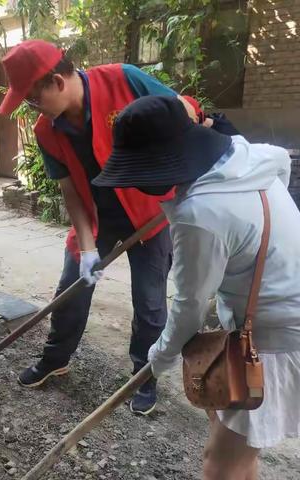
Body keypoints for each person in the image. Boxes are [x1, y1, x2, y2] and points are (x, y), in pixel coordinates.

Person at [93, 95, 300, 480]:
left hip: (277, 339)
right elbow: (283, 164)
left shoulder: (199, 216)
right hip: (271, 320)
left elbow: (189, 306)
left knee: (220, 465)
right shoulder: (251, 158)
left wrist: (159, 358)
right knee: (235, 455)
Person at [0, 40, 194, 415]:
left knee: (150, 303)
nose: (33, 109)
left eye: (33, 99)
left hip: (149, 214)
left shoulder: (124, 80)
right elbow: (70, 191)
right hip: (96, 218)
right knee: (72, 287)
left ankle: (143, 376)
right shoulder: (47, 131)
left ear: (57, 81)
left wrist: (182, 178)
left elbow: (181, 112)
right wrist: (87, 249)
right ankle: (56, 358)